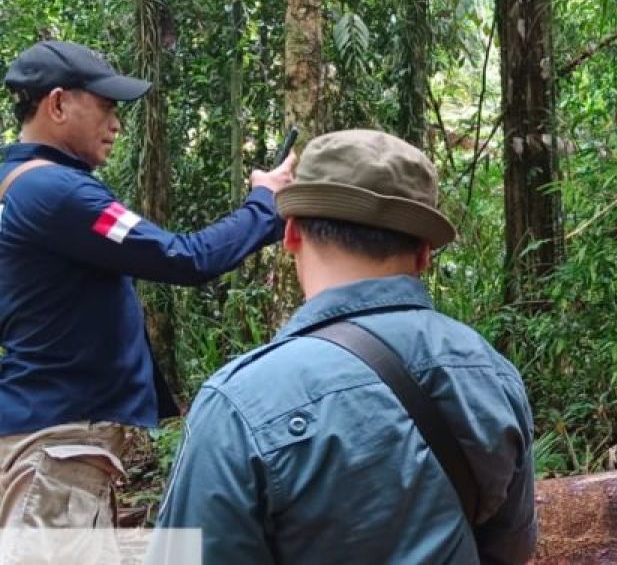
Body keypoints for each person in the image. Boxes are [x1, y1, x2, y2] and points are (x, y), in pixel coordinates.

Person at [153, 130, 537, 564]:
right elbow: (510, 550)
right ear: (425, 254)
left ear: (292, 235)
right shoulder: (492, 374)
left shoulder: (239, 403)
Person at [0, 39, 294, 530]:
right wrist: (264, 203)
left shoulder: (16, 184)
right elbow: (184, 258)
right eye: (106, 108)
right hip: (56, 445)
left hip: (43, 431)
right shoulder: (58, 193)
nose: (116, 124)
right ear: (57, 103)